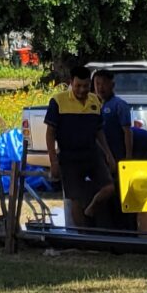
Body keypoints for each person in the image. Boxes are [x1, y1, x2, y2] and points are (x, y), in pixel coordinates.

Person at [84, 65, 147, 230]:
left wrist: (127, 158)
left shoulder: (119, 105)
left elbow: (127, 133)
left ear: (112, 85)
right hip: (107, 158)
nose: (100, 87)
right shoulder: (92, 106)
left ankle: (128, 229)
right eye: (97, 83)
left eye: (104, 83)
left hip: (125, 157)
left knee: (124, 193)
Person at [43, 60, 103, 229]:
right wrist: (53, 161)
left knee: (106, 189)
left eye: (85, 86)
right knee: (75, 198)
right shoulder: (57, 101)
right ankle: (80, 235)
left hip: (91, 155)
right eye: (78, 86)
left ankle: (91, 223)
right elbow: (50, 133)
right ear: (71, 83)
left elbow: (99, 132)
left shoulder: (95, 101)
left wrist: (108, 155)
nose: (82, 90)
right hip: (69, 158)